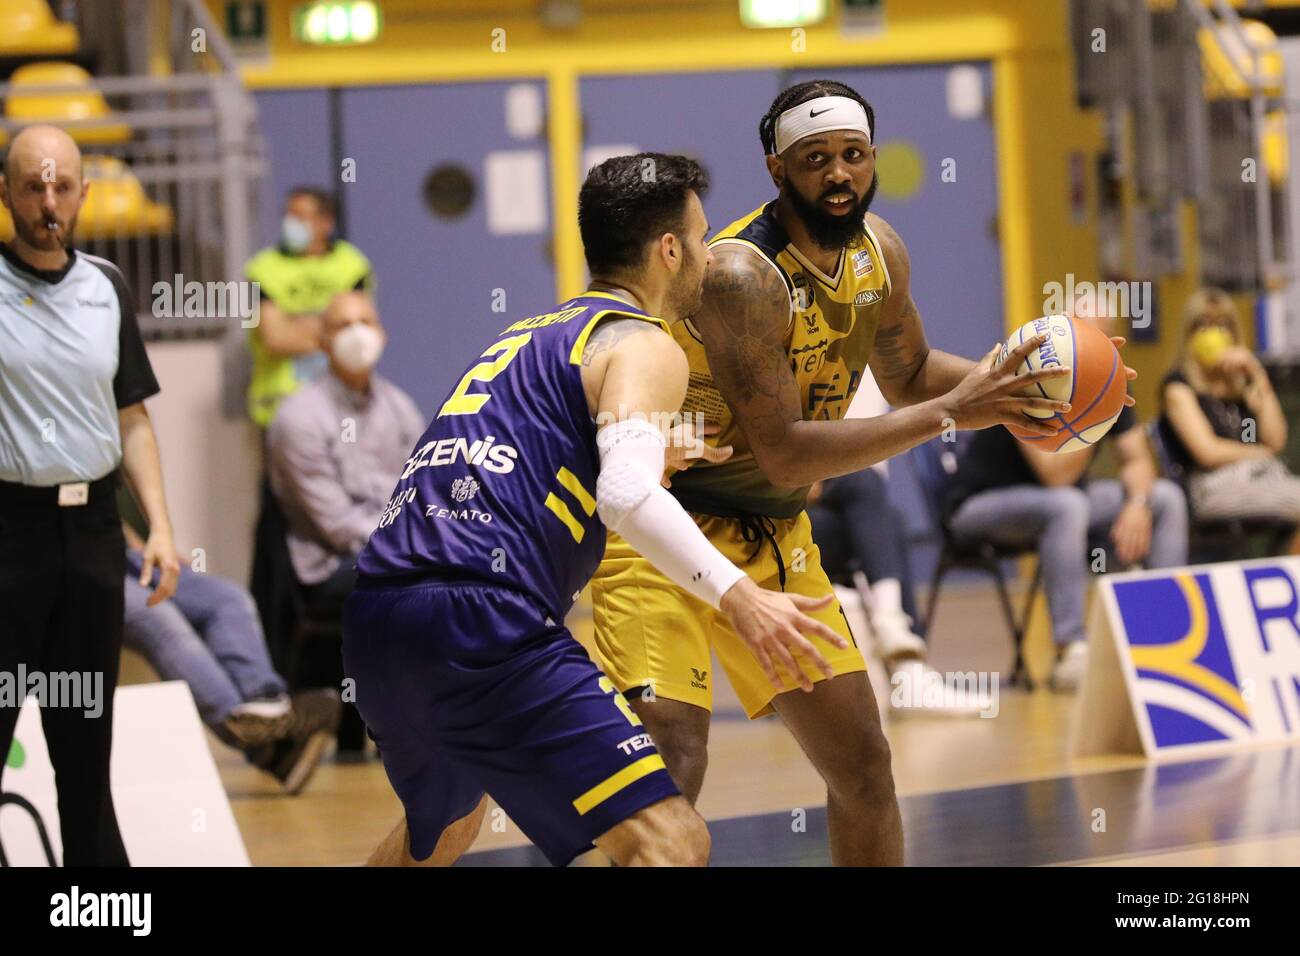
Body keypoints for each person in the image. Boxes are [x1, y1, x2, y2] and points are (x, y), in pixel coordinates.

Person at [588, 80, 1132, 865]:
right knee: (674, 764)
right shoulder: (743, 275)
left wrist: (1018, 388)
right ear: (778, 170)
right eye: (816, 160)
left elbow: (909, 371)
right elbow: (784, 452)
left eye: (853, 155)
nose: (839, 174)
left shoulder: (882, 251)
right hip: (664, 528)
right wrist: (956, 411)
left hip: (774, 534)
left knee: (864, 766)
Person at [343, 153, 843, 867]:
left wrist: (649, 451)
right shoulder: (644, 341)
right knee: (673, 842)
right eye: (700, 238)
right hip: (484, 620)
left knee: (444, 831)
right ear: (670, 250)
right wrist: (740, 598)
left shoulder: (529, 335)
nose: (707, 254)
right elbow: (626, 495)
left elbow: (532, 459)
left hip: (380, 618)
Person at [0, 125, 181, 865]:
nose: (49, 200)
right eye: (33, 185)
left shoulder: (105, 284)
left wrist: (162, 529)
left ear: (83, 192)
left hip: (94, 538)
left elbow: (132, 418)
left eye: (62, 186)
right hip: (9, 537)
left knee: (83, 752)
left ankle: (95, 910)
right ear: (6, 193)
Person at [944, 297, 1186, 691]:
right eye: (1087, 336)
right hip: (979, 504)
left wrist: (1138, 504)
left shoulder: (1106, 379)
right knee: (1068, 504)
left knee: (1164, 498)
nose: (1096, 346)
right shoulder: (1029, 377)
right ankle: (1069, 649)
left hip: (1058, 502)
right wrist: (1091, 408)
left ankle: (1163, 637)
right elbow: (1056, 475)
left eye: (1102, 338)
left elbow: (1137, 461)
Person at [266, 290, 423, 755]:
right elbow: (336, 525)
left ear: (382, 333)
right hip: (329, 565)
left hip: (397, 548)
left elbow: (426, 486)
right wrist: (413, 546)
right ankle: (415, 730)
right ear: (320, 339)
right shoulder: (298, 418)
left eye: (365, 321)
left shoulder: (399, 406)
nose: (357, 333)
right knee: (423, 583)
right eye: (342, 324)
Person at [120, 521, 341, 794]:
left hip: (123, 554)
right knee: (161, 620)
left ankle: (267, 708)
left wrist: (144, 545)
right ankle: (253, 730)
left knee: (228, 599)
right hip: (78, 567)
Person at [1159, 286, 1300, 529]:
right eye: (1203, 325)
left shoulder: (1242, 383)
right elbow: (1208, 453)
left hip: (1259, 478)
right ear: (1189, 334)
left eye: (1223, 325)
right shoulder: (1178, 386)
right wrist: (1261, 453)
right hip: (1210, 487)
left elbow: (1276, 441)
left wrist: (1257, 375)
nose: (1214, 333)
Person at [245, 187, 374, 428]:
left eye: (301, 216)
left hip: (341, 403)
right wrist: (332, 329)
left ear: (326, 223)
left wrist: (297, 325)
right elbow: (275, 338)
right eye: (288, 215)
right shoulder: (263, 268)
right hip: (279, 406)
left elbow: (359, 337)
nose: (291, 223)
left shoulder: (352, 265)